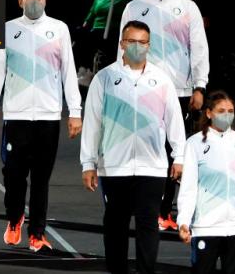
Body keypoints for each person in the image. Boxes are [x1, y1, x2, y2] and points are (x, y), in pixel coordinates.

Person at [0, 0, 82, 252]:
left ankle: (37, 232)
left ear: (46, 0)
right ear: (21, 1)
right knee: (13, 175)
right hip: (16, 115)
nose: (35, 1)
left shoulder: (58, 29)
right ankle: (14, 217)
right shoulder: (8, 29)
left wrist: (75, 111)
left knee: (40, 179)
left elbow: (68, 73)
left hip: (49, 117)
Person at [80, 20, 187, 274]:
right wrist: (88, 163)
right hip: (114, 167)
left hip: (153, 167)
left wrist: (179, 155)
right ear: (122, 44)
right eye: (131, 41)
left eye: (142, 42)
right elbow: (92, 122)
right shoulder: (105, 79)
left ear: (149, 46)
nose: (136, 46)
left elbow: (173, 120)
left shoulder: (161, 80)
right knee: (115, 225)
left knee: (148, 225)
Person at [118, 0, 209, 230]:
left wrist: (199, 86)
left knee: (175, 150)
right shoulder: (134, 8)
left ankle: (164, 210)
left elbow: (199, 48)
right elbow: (121, 49)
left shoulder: (187, 7)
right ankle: (143, 203)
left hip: (180, 90)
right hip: (143, 90)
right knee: (146, 148)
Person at [177, 91, 235, 274]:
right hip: (206, 227)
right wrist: (183, 222)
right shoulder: (194, 144)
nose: (226, 115)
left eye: (230, 111)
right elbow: (188, 188)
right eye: (221, 110)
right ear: (209, 113)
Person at [76, 0, 128, 80]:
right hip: (96, 28)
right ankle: (85, 74)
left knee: (104, 58)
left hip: (112, 30)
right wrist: (86, 23)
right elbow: (93, 10)